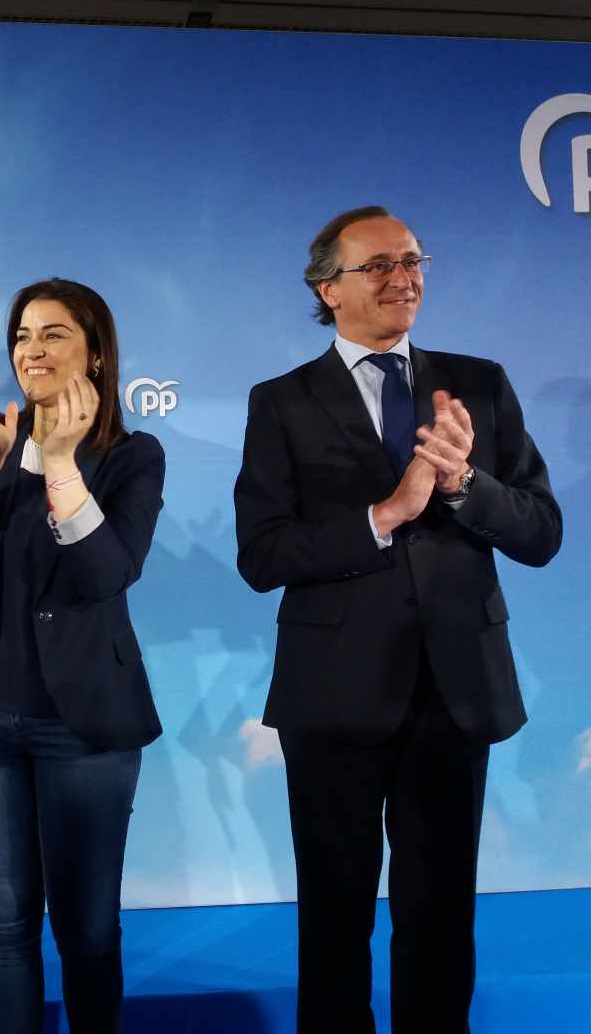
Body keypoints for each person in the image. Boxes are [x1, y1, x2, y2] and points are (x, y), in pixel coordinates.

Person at [233, 206, 562, 1032]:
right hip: (334, 698)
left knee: (441, 918)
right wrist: (385, 513)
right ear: (327, 288)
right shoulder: (281, 402)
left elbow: (541, 532)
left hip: (454, 694)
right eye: (378, 265)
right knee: (335, 920)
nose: (403, 278)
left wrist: (461, 488)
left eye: (413, 260)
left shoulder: (477, 383)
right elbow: (263, 555)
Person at [0, 278, 165, 1032]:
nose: (32, 348)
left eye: (54, 333)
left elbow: (105, 574)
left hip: (85, 726)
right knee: (2, 923)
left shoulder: (132, 456)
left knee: (86, 932)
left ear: (95, 354)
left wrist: (60, 463)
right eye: (22, 334)